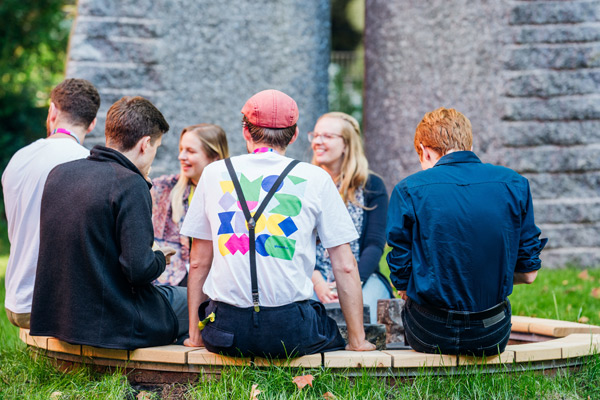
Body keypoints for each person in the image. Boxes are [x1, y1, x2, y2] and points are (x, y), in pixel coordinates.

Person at [181, 89, 375, 358]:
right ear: (294, 135)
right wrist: (357, 341)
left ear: (245, 132)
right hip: (290, 332)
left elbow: (198, 262)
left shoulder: (214, 174)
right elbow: (344, 265)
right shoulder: (315, 177)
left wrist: (194, 336)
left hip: (225, 332)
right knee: (327, 328)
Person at [30, 96, 188, 350]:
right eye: (156, 148)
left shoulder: (59, 173)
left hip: (61, 319)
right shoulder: (130, 183)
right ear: (146, 144)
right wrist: (160, 257)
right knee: (198, 302)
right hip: (113, 323)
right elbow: (139, 271)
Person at [386, 107, 547, 356]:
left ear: (423, 150)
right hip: (492, 334)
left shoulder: (408, 189)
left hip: (430, 332)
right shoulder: (515, 184)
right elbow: (529, 275)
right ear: (468, 145)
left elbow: (403, 280)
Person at [2, 78, 100, 329]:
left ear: (53, 111)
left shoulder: (19, 158)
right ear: (92, 124)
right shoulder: (89, 164)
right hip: (54, 308)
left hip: (16, 301)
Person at [309, 112, 392, 324]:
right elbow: (294, 243)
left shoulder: (372, 186)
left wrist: (350, 284)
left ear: (346, 145)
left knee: (368, 317)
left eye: (327, 136)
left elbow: (374, 245)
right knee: (307, 318)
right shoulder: (304, 184)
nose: (318, 141)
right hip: (311, 278)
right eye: (315, 135)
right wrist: (316, 280)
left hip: (363, 277)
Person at [151, 124, 229, 286]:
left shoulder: (232, 195)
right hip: (172, 282)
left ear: (215, 157)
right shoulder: (161, 188)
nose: (181, 156)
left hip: (216, 282)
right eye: (181, 149)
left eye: (191, 151)